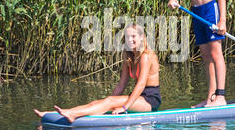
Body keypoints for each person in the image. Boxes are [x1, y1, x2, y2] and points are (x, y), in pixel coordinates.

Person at [33, 24, 161, 123]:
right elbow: (121, 85)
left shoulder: (146, 56)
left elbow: (141, 85)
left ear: (141, 37)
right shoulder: (128, 56)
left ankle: (73, 115)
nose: (130, 40)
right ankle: (57, 114)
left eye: (133, 36)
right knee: (96, 103)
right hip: (138, 97)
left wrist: (124, 107)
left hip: (150, 99)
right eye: (127, 37)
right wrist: (106, 104)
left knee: (109, 102)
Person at [168, 0, 227, 107]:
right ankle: (210, 97)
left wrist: (222, 21)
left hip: (210, 10)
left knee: (216, 53)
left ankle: (221, 96)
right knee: (205, 55)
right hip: (196, 12)